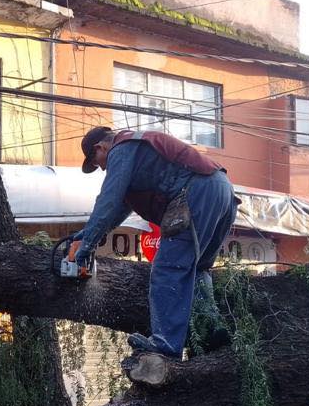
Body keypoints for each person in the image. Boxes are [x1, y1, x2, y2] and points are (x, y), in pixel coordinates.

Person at [73, 126, 239, 358]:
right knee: (198, 267)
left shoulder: (121, 149)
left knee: (167, 270)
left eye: (97, 162)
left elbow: (108, 200)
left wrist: (87, 246)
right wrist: (87, 235)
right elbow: (119, 208)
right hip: (223, 190)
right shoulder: (139, 149)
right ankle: (210, 331)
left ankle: (166, 345)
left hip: (197, 193)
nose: (102, 168)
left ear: (100, 147)